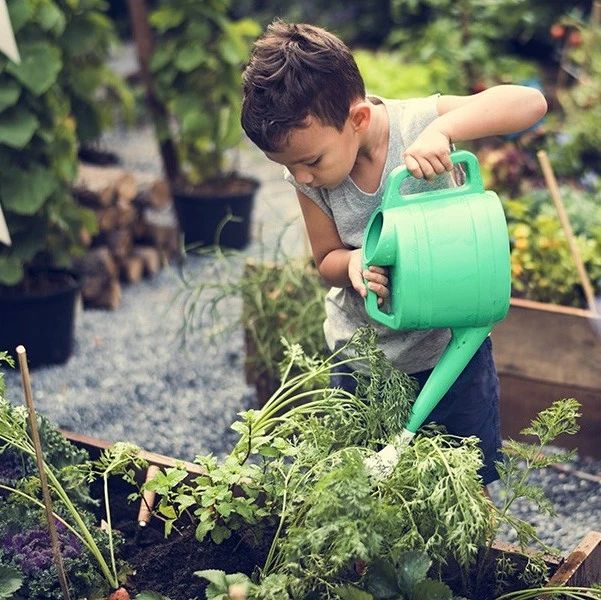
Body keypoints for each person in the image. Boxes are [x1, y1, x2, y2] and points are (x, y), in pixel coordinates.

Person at [240, 20, 547, 486]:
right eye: (289, 166)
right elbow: (324, 259)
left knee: (464, 487)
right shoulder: (312, 180)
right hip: (364, 365)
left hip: (451, 353)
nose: (302, 176)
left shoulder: (418, 125)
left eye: (311, 161)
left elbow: (532, 103)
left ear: (358, 119)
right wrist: (354, 264)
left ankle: (469, 562)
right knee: (372, 493)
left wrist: (443, 129)